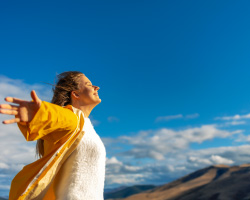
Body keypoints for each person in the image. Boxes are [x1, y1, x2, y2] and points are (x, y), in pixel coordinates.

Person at [0, 71, 106, 200]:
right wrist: (38, 113)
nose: (97, 87)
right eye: (89, 85)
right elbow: (56, 116)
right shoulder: (73, 118)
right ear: (76, 94)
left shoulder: (86, 125)